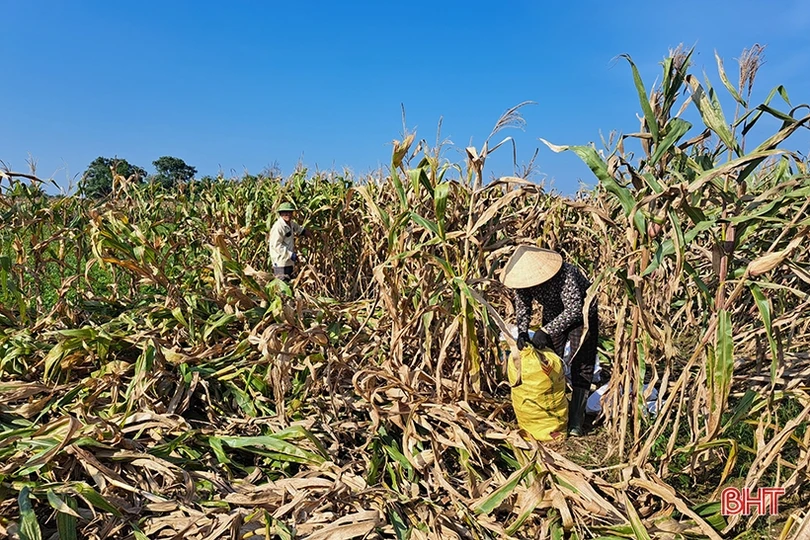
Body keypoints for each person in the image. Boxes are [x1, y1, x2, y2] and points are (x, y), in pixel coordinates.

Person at [500, 245, 599, 437]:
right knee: (549, 358)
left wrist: (545, 330)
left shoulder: (566, 274)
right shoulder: (522, 283)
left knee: (582, 362)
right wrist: (522, 332)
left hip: (584, 316)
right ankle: (553, 409)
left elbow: (574, 309)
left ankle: (577, 419)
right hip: (553, 314)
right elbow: (523, 307)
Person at [268, 202, 308, 281]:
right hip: (280, 262)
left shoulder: (291, 223)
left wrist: (309, 234)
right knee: (283, 286)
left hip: (289, 262)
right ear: (280, 214)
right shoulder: (278, 227)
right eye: (285, 213)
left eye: (290, 212)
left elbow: (299, 229)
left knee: (290, 284)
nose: (288, 214)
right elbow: (276, 245)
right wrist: (291, 255)